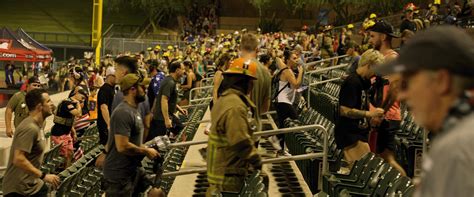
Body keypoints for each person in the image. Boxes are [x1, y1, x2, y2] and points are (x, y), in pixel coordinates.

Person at [375, 26, 474, 197]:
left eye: (409, 82)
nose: (403, 94)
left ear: (442, 81)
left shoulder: (458, 148)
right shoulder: (456, 136)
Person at [207, 58, 262, 195]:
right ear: (245, 82)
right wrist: (256, 161)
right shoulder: (235, 106)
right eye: (251, 82)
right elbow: (240, 141)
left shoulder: (225, 99)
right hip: (229, 173)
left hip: (222, 168)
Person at [103, 73, 160, 197]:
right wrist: (145, 151)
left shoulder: (134, 110)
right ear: (132, 90)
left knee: (157, 193)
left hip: (133, 168)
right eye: (142, 88)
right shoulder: (123, 112)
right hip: (119, 174)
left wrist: (146, 147)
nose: (145, 90)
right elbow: (122, 146)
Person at [2, 89, 60, 197]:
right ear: (39, 107)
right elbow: (18, 158)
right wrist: (43, 176)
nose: (52, 104)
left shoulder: (39, 126)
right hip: (18, 190)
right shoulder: (29, 128)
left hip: (32, 186)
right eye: (48, 101)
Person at [368, 20, 406, 176]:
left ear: (383, 37)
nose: (370, 40)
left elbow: (394, 90)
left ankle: (410, 190)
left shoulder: (392, 58)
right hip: (378, 114)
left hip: (387, 116)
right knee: (378, 157)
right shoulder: (379, 57)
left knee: (387, 158)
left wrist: (381, 112)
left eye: (372, 36)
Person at [335, 49, 385, 164]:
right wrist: (369, 114)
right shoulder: (352, 82)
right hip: (349, 133)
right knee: (365, 169)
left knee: (362, 170)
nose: (375, 73)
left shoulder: (365, 83)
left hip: (359, 131)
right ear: (368, 65)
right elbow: (344, 110)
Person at [269, 50, 303, 156]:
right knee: (295, 121)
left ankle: (281, 148)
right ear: (288, 60)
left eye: (296, 58)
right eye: (293, 58)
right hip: (283, 101)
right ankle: (275, 139)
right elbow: (296, 84)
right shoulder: (287, 70)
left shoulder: (283, 68)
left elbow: (293, 87)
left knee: (283, 125)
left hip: (281, 101)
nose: (296, 60)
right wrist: (301, 71)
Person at [240, 33, 272, 134]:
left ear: (240, 47)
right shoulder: (265, 72)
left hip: (237, 128)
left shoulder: (236, 67)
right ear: (257, 49)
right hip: (255, 128)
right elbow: (265, 108)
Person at [149, 60, 187, 141]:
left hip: (168, 115)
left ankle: (183, 149)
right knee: (160, 143)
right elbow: (164, 100)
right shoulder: (169, 82)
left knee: (181, 129)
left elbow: (169, 99)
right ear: (177, 70)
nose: (184, 71)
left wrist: (179, 108)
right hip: (161, 118)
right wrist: (166, 119)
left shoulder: (171, 81)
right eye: (183, 69)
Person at [50, 87, 88, 168]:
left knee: (70, 154)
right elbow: (78, 114)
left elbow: (69, 121)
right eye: (82, 97)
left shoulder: (72, 103)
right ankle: (63, 174)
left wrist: (73, 132)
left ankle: (66, 172)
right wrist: (78, 104)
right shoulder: (67, 103)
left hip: (66, 133)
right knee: (66, 156)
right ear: (76, 93)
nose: (83, 100)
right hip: (59, 134)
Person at [97, 66, 116, 145]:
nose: (116, 78)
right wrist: (109, 125)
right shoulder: (104, 89)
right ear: (109, 76)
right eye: (114, 76)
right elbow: (104, 108)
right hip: (105, 125)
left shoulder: (112, 88)